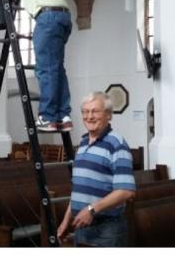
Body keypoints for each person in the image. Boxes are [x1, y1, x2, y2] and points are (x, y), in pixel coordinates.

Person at [7, 0, 72, 132]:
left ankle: (48, 117)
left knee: (46, 70)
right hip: (58, 16)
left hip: (49, 17)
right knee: (56, 70)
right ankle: (64, 116)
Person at [57, 92, 136, 246]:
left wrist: (91, 209)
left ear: (108, 115)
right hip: (81, 227)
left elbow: (127, 191)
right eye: (85, 112)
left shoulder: (117, 144)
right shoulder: (83, 142)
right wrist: (67, 220)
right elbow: (78, 189)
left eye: (95, 111)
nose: (89, 116)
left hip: (107, 230)